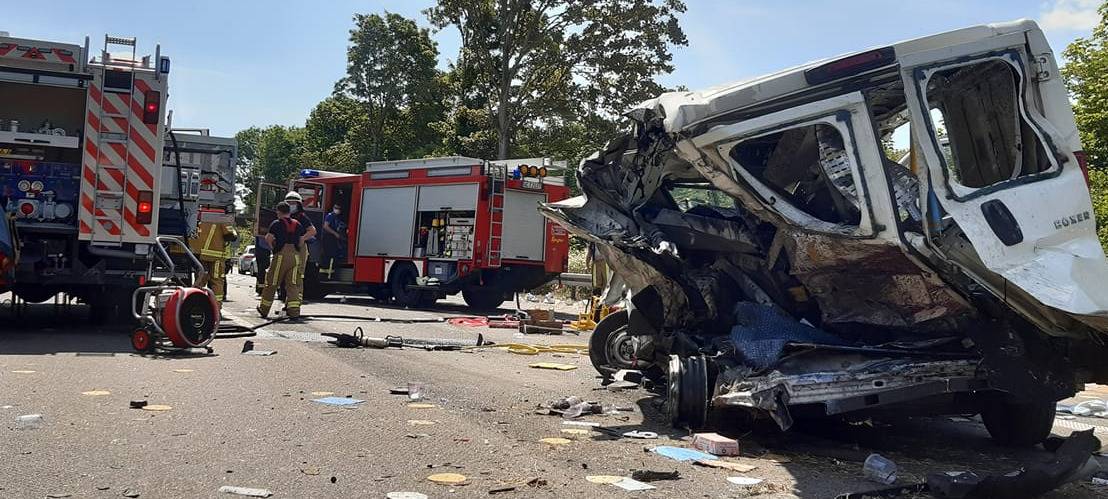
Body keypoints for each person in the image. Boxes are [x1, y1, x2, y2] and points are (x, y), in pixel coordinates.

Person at [258, 202, 306, 319]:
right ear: (289, 212)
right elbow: (301, 241)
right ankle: (294, 312)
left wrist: (273, 248)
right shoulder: (298, 224)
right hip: (295, 257)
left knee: (272, 282)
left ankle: (264, 310)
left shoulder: (276, 224)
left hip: (280, 257)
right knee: (293, 284)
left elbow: (268, 238)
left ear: (278, 212)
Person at [188, 214, 237, 303]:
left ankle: (195, 303)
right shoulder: (222, 217)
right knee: (216, 281)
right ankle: (216, 308)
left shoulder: (198, 215)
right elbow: (230, 235)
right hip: (216, 256)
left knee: (200, 280)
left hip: (200, 254)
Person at [284, 191, 316, 302]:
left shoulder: (301, 217)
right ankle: (287, 299)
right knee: (286, 276)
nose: (291, 204)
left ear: (298, 204)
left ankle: (296, 301)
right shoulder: (284, 217)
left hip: (299, 249)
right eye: (289, 203)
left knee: (297, 276)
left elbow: (312, 231)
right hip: (286, 248)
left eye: (293, 202)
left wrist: (302, 238)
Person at [321, 204, 347, 278]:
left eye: (339, 208)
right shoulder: (330, 216)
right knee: (328, 255)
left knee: (334, 255)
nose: (337, 210)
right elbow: (325, 226)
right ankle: (325, 275)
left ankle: (330, 274)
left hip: (333, 238)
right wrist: (335, 234)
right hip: (328, 238)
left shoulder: (337, 218)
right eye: (336, 208)